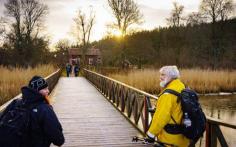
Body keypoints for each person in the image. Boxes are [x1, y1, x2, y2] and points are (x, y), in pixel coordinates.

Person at [145, 66, 190, 147]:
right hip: (183, 137)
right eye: (160, 75)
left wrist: (150, 134)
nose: (160, 77)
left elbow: (161, 117)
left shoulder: (167, 95)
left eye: (163, 75)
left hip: (170, 139)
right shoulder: (181, 86)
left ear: (171, 76)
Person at [21, 76, 64, 147]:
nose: (48, 91)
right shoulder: (44, 109)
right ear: (36, 91)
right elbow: (59, 140)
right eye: (45, 89)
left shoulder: (17, 103)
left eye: (47, 88)